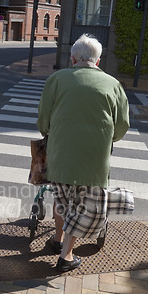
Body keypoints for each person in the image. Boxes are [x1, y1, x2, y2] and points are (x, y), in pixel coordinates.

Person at [36, 33, 130, 273]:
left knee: (61, 199)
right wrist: (108, 139)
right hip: (95, 158)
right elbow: (121, 127)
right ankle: (66, 255)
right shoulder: (113, 84)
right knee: (83, 204)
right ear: (98, 61)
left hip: (60, 154)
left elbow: (43, 120)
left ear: (73, 59)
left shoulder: (56, 79)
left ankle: (59, 242)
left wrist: (49, 132)